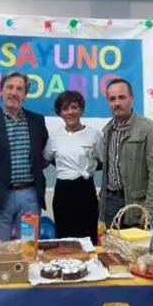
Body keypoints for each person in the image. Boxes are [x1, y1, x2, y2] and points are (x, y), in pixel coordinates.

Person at [0, 72, 49, 241]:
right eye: (10, 87)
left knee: (29, 249)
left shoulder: (37, 121)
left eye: (19, 89)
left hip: (30, 196)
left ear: (25, 95)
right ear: (1, 92)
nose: (14, 92)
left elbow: (45, 153)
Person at [99, 78, 153, 228]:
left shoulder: (149, 129)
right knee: (112, 249)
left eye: (122, 97)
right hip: (111, 203)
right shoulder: (107, 130)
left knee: (137, 249)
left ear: (132, 99)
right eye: (112, 99)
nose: (117, 103)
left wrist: (149, 209)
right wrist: (102, 212)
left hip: (138, 204)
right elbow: (106, 173)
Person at [43, 90, 103, 245]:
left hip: (86, 190)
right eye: (65, 108)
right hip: (63, 192)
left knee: (88, 238)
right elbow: (47, 159)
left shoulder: (94, 135)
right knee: (64, 238)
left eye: (74, 107)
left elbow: (103, 161)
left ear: (81, 109)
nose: (70, 112)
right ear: (60, 113)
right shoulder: (55, 137)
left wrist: (88, 167)